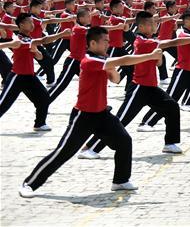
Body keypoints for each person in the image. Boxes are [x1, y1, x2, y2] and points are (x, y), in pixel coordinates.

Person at [18, 27, 163, 198]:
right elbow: (124, 60)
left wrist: (110, 68)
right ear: (93, 43)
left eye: (109, 41)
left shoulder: (103, 59)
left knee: (124, 141)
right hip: (83, 116)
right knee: (63, 152)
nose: (109, 44)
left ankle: (120, 181)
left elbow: (116, 80)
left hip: (102, 114)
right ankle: (29, 183)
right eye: (105, 41)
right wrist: (150, 56)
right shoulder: (87, 60)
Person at [78, 11, 190, 159]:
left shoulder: (150, 40)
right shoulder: (142, 41)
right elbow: (172, 42)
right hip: (139, 87)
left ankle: (170, 143)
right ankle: (92, 149)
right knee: (121, 120)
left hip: (151, 87)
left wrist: (158, 58)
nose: (155, 26)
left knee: (172, 107)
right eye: (152, 23)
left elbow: (158, 62)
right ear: (141, 26)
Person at [0, 13, 72, 131]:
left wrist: (36, 52)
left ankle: (39, 123)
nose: (32, 25)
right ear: (22, 25)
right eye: (29, 22)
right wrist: (61, 34)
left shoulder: (29, 39)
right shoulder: (19, 39)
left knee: (44, 98)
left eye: (32, 22)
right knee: (3, 104)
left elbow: (39, 57)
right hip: (17, 77)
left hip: (30, 77)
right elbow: (44, 39)